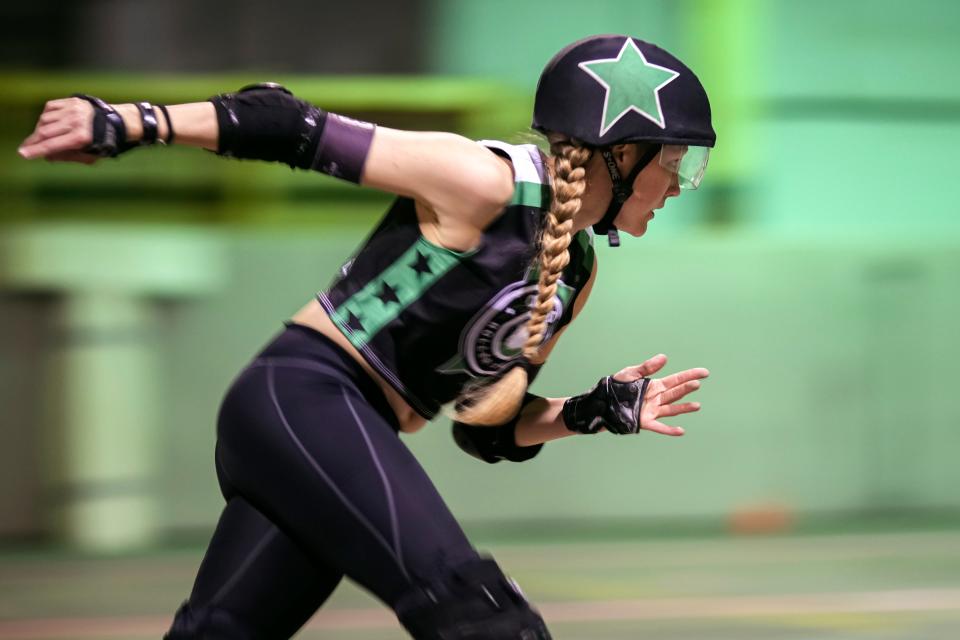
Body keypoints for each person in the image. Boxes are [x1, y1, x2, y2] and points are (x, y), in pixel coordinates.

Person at [18, 34, 715, 640]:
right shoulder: (485, 181)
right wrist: (125, 122)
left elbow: (487, 428)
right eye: (675, 161)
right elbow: (285, 123)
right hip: (306, 399)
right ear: (620, 153)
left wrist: (591, 412)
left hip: (331, 436)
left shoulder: (575, 274)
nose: (681, 185)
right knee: (483, 618)